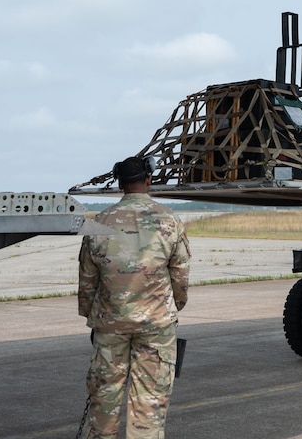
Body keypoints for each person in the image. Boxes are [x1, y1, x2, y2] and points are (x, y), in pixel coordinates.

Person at [77, 156, 191, 438]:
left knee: (105, 395)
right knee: (149, 400)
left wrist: (92, 314)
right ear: (149, 180)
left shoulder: (99, 222)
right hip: (156, 323)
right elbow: (180, 277)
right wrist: (172, 307)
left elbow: (87, 279)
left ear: (120, 185)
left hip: (110, 323)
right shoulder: (169, 221)